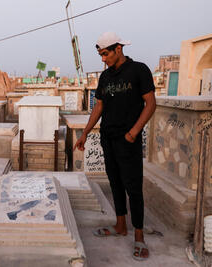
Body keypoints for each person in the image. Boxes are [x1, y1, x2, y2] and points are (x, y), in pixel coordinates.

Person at [74, 32, 156, 261]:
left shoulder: (139, 70)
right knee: (115, 183)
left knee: (133, 187)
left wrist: (133, 133)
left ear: (118, 49)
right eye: (101, 55)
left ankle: (138, 236)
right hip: (108, 139)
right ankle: (120, 226)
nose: (103, 59)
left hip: (128, 139)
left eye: (105, 54)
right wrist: (85, 133)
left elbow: (150, 104)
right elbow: (99, 106)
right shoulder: (106, 77)